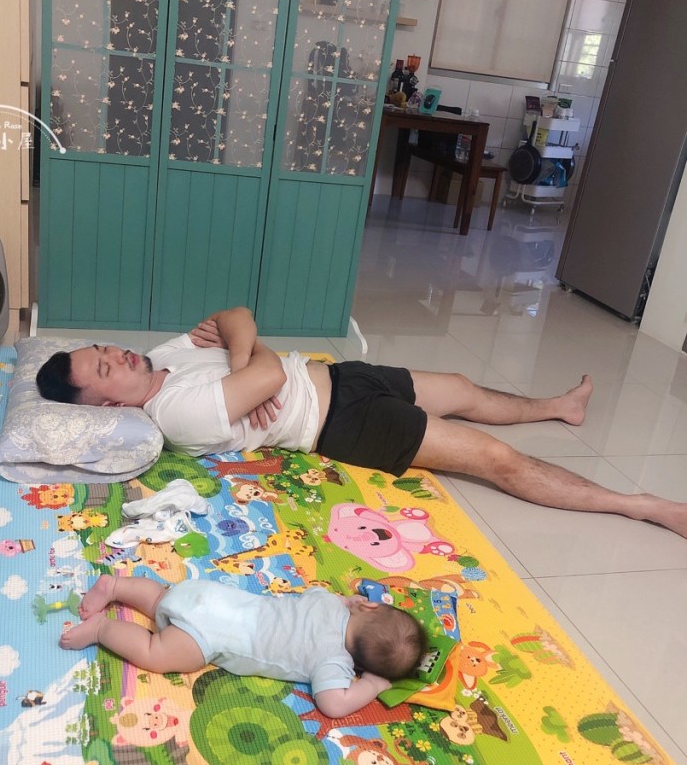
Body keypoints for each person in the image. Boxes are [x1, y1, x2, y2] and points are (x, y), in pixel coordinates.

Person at [36, 306, 687, 539]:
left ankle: (557, 406)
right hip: (344, 421)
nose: (117, 355)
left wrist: (242, 355)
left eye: (104, 349)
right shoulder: (174, 411)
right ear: (111, 406)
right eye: (105, 368)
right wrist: (255, 361)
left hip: (342, 374)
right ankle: (642, 506)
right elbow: (268, 373)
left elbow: (237, 315)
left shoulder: (164, 358)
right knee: (495, 458)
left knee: (461, 387)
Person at [58, 575, 426, 717]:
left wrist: (347, 602)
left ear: (369, 607)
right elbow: (334, 704)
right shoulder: (334, 662)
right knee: (155, 652)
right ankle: (102, 629)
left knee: (159, 600)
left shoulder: (329, 603)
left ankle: (116, 587)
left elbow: (316, 593)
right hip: (210, 636)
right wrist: (371, 685)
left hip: (212, 596)